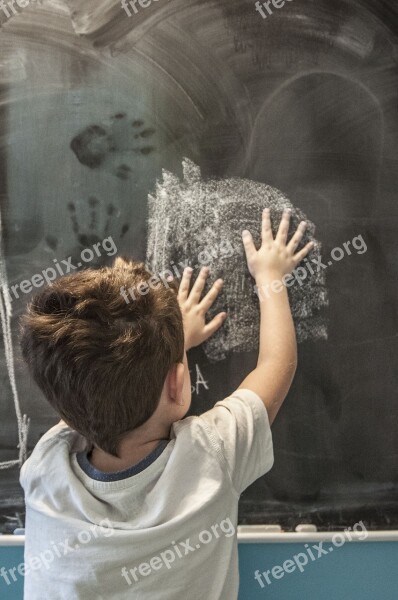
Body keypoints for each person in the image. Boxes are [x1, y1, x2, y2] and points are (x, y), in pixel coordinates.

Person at [20, 208, 313, 599]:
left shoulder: (44, 471)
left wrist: (169, 351)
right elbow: (278, 365)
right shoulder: (213, 456)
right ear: (178, 382)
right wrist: (270, 277)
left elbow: (76, 384)